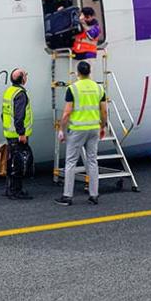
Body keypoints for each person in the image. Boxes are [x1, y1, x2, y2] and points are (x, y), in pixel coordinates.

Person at [54, 61, 107, 206]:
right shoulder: (99, 88)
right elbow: (104, 111)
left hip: (77, 130)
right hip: (94, 129)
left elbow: (67, 112)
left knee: (71, 162)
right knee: (92, 161)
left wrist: (61, 130)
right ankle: (94, 195)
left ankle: (67, 196)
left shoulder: (73, 88)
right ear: (90, 72)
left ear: (77, 73)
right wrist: (103, 126)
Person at [1, 68, 34, 199]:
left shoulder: (9, 92)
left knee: (11, 161)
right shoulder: (20, 94)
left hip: (9, 133)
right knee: (19, 162)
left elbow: (4, 114)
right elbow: (19, 116)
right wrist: (21, 133)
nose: (26, 76)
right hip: (17, 134)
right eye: (25, 75)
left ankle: (9, 189)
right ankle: (16, 191)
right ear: (22, 79)